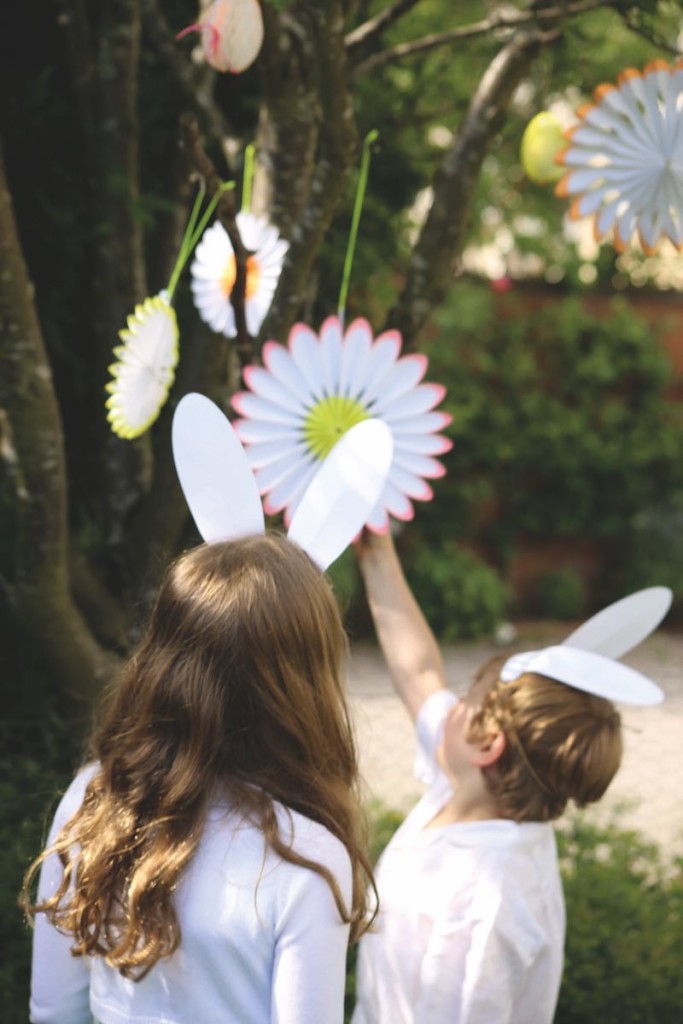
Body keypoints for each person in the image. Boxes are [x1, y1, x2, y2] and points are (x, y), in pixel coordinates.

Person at [23, 534, 376, 1024]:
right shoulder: (309, 860)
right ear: (306, 683)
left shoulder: (94, 802)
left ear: (162, 661)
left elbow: (55, 1011)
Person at [351, 530, 632, 1024]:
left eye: (467, 696)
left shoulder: (484, 908)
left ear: (487, 745)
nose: (450, 704)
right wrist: (377, 550)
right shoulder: (470, 791)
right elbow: (417, 671)